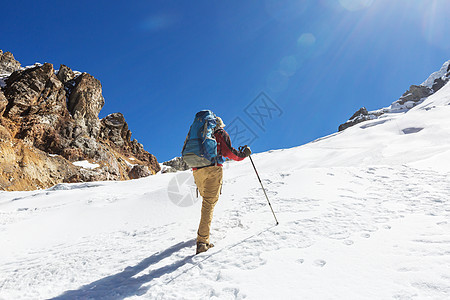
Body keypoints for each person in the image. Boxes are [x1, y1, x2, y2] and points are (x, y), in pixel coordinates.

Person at [193, 116, 251, 254]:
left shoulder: (198, 134)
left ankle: (203, 232)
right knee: (209, 203)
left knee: (206, 201)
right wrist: (243, 155)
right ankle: (202, 242)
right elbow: (229, 152)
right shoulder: (220, 133)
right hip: (213, 169)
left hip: (196, 171)